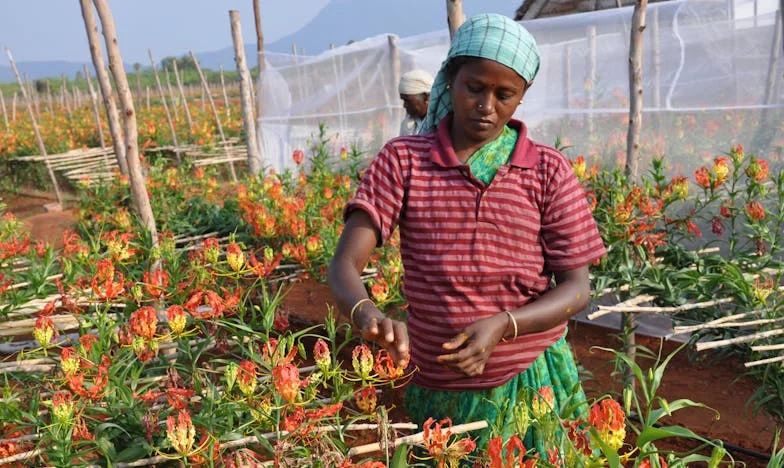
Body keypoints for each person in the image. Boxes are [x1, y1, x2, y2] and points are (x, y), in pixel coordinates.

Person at [328, 13, 606, 458]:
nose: (486, 105)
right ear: (450, 80)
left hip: (532, 379)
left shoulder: (547, 168)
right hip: (439, 385)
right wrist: (365, 313)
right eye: (474, 87)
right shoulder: (404, 161)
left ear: (522, 96)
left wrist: (504, 326)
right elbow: (345, 263)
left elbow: (577, 289)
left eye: (504, 94)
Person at [397, 70, 434, 136]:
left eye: (408, 101)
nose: (404, 105)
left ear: (426, 97)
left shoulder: (440, 124)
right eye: (403, 100)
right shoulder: (407, 124)